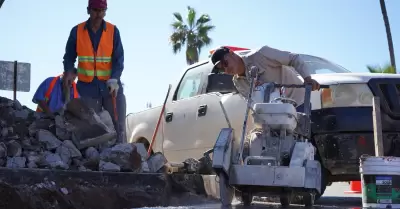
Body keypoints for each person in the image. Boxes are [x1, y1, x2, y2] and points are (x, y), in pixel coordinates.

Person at [62, 0, 127, 143]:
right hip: (87, 88)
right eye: (95, 10)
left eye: (102, 10)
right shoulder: (77, 31)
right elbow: (69, 57)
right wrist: (69, 71)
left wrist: (115, 78)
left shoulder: (113, 31)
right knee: (90, 128)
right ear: (88, 10)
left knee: (119, 126)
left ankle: (122, 156)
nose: (99, 14)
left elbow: (119, 60)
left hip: (110, 86)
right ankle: (91, 161)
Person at [210, 46, 321, 112]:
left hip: (298, 104)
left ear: (232, 53)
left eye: (225, 63)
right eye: (221, 70)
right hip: (274, 115)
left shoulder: (261, 54)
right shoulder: (237, 82)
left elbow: (293, 58)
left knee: (303, 145)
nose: (226, 69)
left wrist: (307, 78)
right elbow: (253, 104)